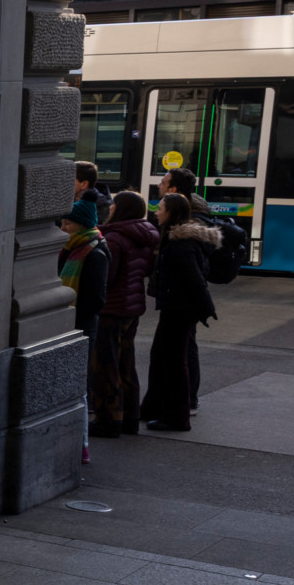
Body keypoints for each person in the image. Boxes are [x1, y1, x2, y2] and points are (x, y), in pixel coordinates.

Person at [142, 193, 220, 432]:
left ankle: (176, 418)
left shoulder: (181, 244)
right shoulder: (180, 239)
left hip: (179, 309)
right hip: (178, 307)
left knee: (175, 363)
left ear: (171, 213)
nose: (156, 212)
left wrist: (206, 308)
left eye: (160, 208)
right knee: (166, 358)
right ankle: (160, 409)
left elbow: (194, 279)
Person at [90, 190, 158, 438]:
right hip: (132, 307)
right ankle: (130, 418)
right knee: (126, 364)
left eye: (113, 205)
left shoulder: (115, 239)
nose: (110, 208)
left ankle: (108, 420)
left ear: (120, 209)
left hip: (111, 308)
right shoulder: (146, 234)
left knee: (106, 366)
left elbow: (107, 278)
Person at [157, 165, 218, 413]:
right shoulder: (190, 218)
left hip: (180, 302)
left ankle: (184, 404)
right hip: (179, 301)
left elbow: (193, 276)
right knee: (176, 350)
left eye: (163, 182)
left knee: (180, 352)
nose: (159, 186)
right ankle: (170, 402)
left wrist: (206, 308)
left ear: (173, 190)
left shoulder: (183, 233)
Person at [56, 199, 110, 465]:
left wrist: (73, 316)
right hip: (68, 323)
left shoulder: (94, 253)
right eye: (63, 222)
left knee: (77, 387)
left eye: (68, 223)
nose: (63, 227)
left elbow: (96, 300)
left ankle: (81, 446)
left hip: (80, 326)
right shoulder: (70, 248)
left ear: (83, 225)